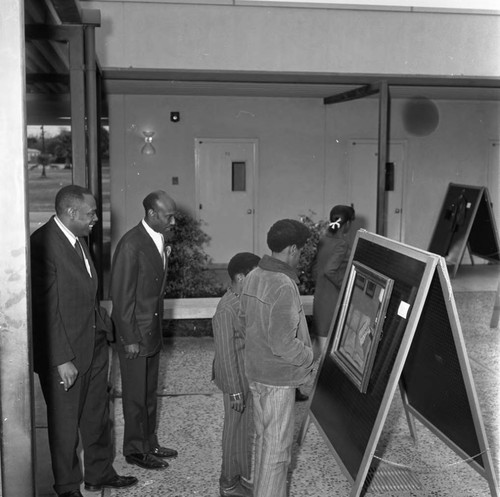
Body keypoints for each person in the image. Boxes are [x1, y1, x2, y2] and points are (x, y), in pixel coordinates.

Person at [30, 185, 137, 497]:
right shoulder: (43, 244)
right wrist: (61, 359)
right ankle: (66, 487)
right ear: (71, 213)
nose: (96, 219)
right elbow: (44, 309)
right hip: (65, 355)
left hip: (93, 346)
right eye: (91, 214)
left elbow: (86, 294)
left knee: (96, 417)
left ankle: (99, 473)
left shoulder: (77, 239)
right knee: (64, 427)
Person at [240, 219, 315, 497]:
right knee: (277, 453)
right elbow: (283, 343)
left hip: (257, 374)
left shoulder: (253, 275)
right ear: (293, 249)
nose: (301, 256)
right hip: (278, 381)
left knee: (264, 444)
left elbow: (243, 320)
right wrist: (308, 357)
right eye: (301, 250)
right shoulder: (283, 284)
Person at [110, 190, 179, 470]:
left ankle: (149, 442)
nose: (173, 221)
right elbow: (122, 295)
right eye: (168, 216)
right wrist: (129, 338)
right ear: (152, 214)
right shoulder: (131, 244)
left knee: (148, 393)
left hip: (150, 330)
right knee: (135, 396)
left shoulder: (158, 239)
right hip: (135, 334)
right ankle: (135, 450)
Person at [212, 252, 261, 497]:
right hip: (235, 381)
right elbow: (225, 354)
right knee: (233, 431)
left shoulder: (242, 298)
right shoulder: (226, 310)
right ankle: (228, 483)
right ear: (241, 278)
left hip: (245, 376)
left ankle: (237, 478)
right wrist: (234, 391)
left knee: (243, 431)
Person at [312, 205, 355, 355]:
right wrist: (347, 286)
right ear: (348, 223)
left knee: (321, 347)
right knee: (330, 352)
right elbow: (329, 270)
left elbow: (316, 269)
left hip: (320, 299)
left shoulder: (324, 240)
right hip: (333, 301)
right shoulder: (341, 244)